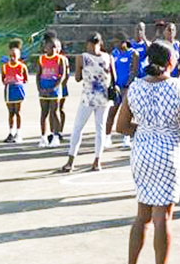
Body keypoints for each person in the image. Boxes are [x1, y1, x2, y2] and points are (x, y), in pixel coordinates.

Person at [115, 40, 180, 264]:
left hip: (142, 151)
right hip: (169, 151)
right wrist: (172, 130)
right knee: (164, 216)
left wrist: (145, 130)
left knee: (142, 215)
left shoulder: (135, 88)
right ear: (171, 62)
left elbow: (122, 126)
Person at [61, 33, 116, 173]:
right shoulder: (108, 57)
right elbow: (114, 78)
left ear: (88, 43)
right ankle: (97, 161)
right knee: (100, 129)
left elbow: (78, 78)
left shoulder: (82, 57)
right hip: (103, 98)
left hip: (88, 97)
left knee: (78, 128)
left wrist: (83, 72)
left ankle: (71, 161)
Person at [106, 33, 139, 147]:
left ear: (123, 42)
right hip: (116, 87)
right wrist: (112, 85)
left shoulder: (133, 53)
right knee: (111, 112)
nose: (114, 44)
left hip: (127, 88)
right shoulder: (113, 53)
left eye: (116, 42)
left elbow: (134, 71)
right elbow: (110, 70)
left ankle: (127, 138)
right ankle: (107, 137)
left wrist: (127, 85)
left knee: (127, 113)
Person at [36, 38, 66, 147]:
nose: (53, 49)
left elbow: (62, 75)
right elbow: (38, 75)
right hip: (44, 88)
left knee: (54, 112)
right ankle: (43, 137)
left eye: (55, 47)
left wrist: (54, 88)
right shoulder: (41, 59)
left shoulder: (60, 59)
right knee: (44, 113)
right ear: (45, 48)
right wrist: (39, 89)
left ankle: (55, 136)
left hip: (54, 89)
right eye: (50, 46)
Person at [1, 39, 27, 143]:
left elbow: (25, 78)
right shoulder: (5, 66)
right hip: (9, 89)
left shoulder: (22, 66)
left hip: (18, 89)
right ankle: (11, 132)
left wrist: (18, 83)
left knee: (18, 112)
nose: (12, 57)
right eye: (10, 55)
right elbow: (3, 78)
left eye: (14, 56)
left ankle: (18, 133)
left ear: (18, 56)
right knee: (10, 112)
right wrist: (7, 82)